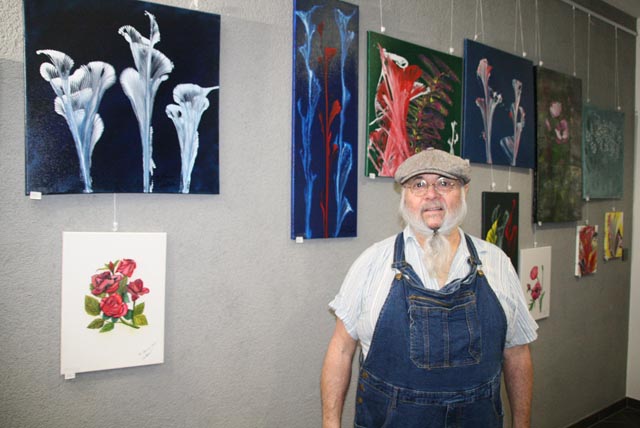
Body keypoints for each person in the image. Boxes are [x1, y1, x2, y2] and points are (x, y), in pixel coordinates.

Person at [321, 148, 538, 428]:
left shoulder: (497, 263)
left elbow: (517, 353)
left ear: (464, 191)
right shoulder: (371, 263)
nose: (432, 194)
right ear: (404, 196)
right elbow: (340, 350)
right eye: (419, 184)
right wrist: (330, 424)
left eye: (445, 183)